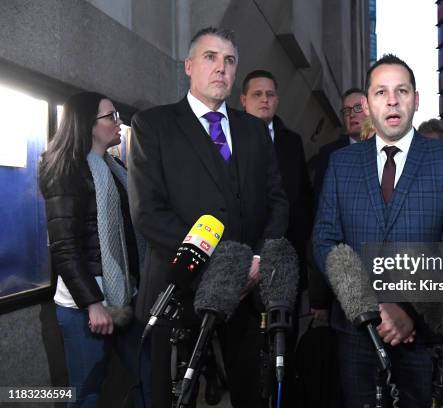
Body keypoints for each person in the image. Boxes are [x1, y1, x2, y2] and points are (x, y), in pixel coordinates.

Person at [128, 27, 288, 408]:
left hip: (245, 295)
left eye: (229, 60)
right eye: (210, 57)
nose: (221, 68)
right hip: (178, 291)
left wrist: (258, 259)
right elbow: (149, 213)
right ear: (188, 66)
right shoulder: (153, 126)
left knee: (248, 393)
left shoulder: (254, 130)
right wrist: (223, 264)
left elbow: (278, 202)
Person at [312, 54, 443, 408]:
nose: (391, 100)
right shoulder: (341, 163)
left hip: (423, 333)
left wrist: (407, 308)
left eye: (401, 90)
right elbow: (325, 239)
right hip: (356, 329)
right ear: (367, 104)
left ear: (415, 100)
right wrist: (368, 305)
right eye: (381, 92)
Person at [39, 92, 150, 407]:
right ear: (89, 124)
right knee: (86, 391)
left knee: (147, 375)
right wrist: (93, 304)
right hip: (85, 307)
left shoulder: (114, 167)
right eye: (111, 116)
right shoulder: (65, 170)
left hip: (125, 296)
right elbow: (63, 246)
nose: (118, 123)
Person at [240, 69, 314, 292]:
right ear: (243, 100)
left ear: (277, 100)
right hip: (242, 254)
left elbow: (302, 197)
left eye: (270, 95)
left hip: (285, 253)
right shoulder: (228, 138)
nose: (265, 99)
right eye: (257, 94)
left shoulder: (292, 142)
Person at [310, 87, 368, 319]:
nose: (351, 115)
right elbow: (320, 223)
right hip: (343, 276)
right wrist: (319, 297)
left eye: (357, 108)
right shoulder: (330, 156)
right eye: (346, 111)